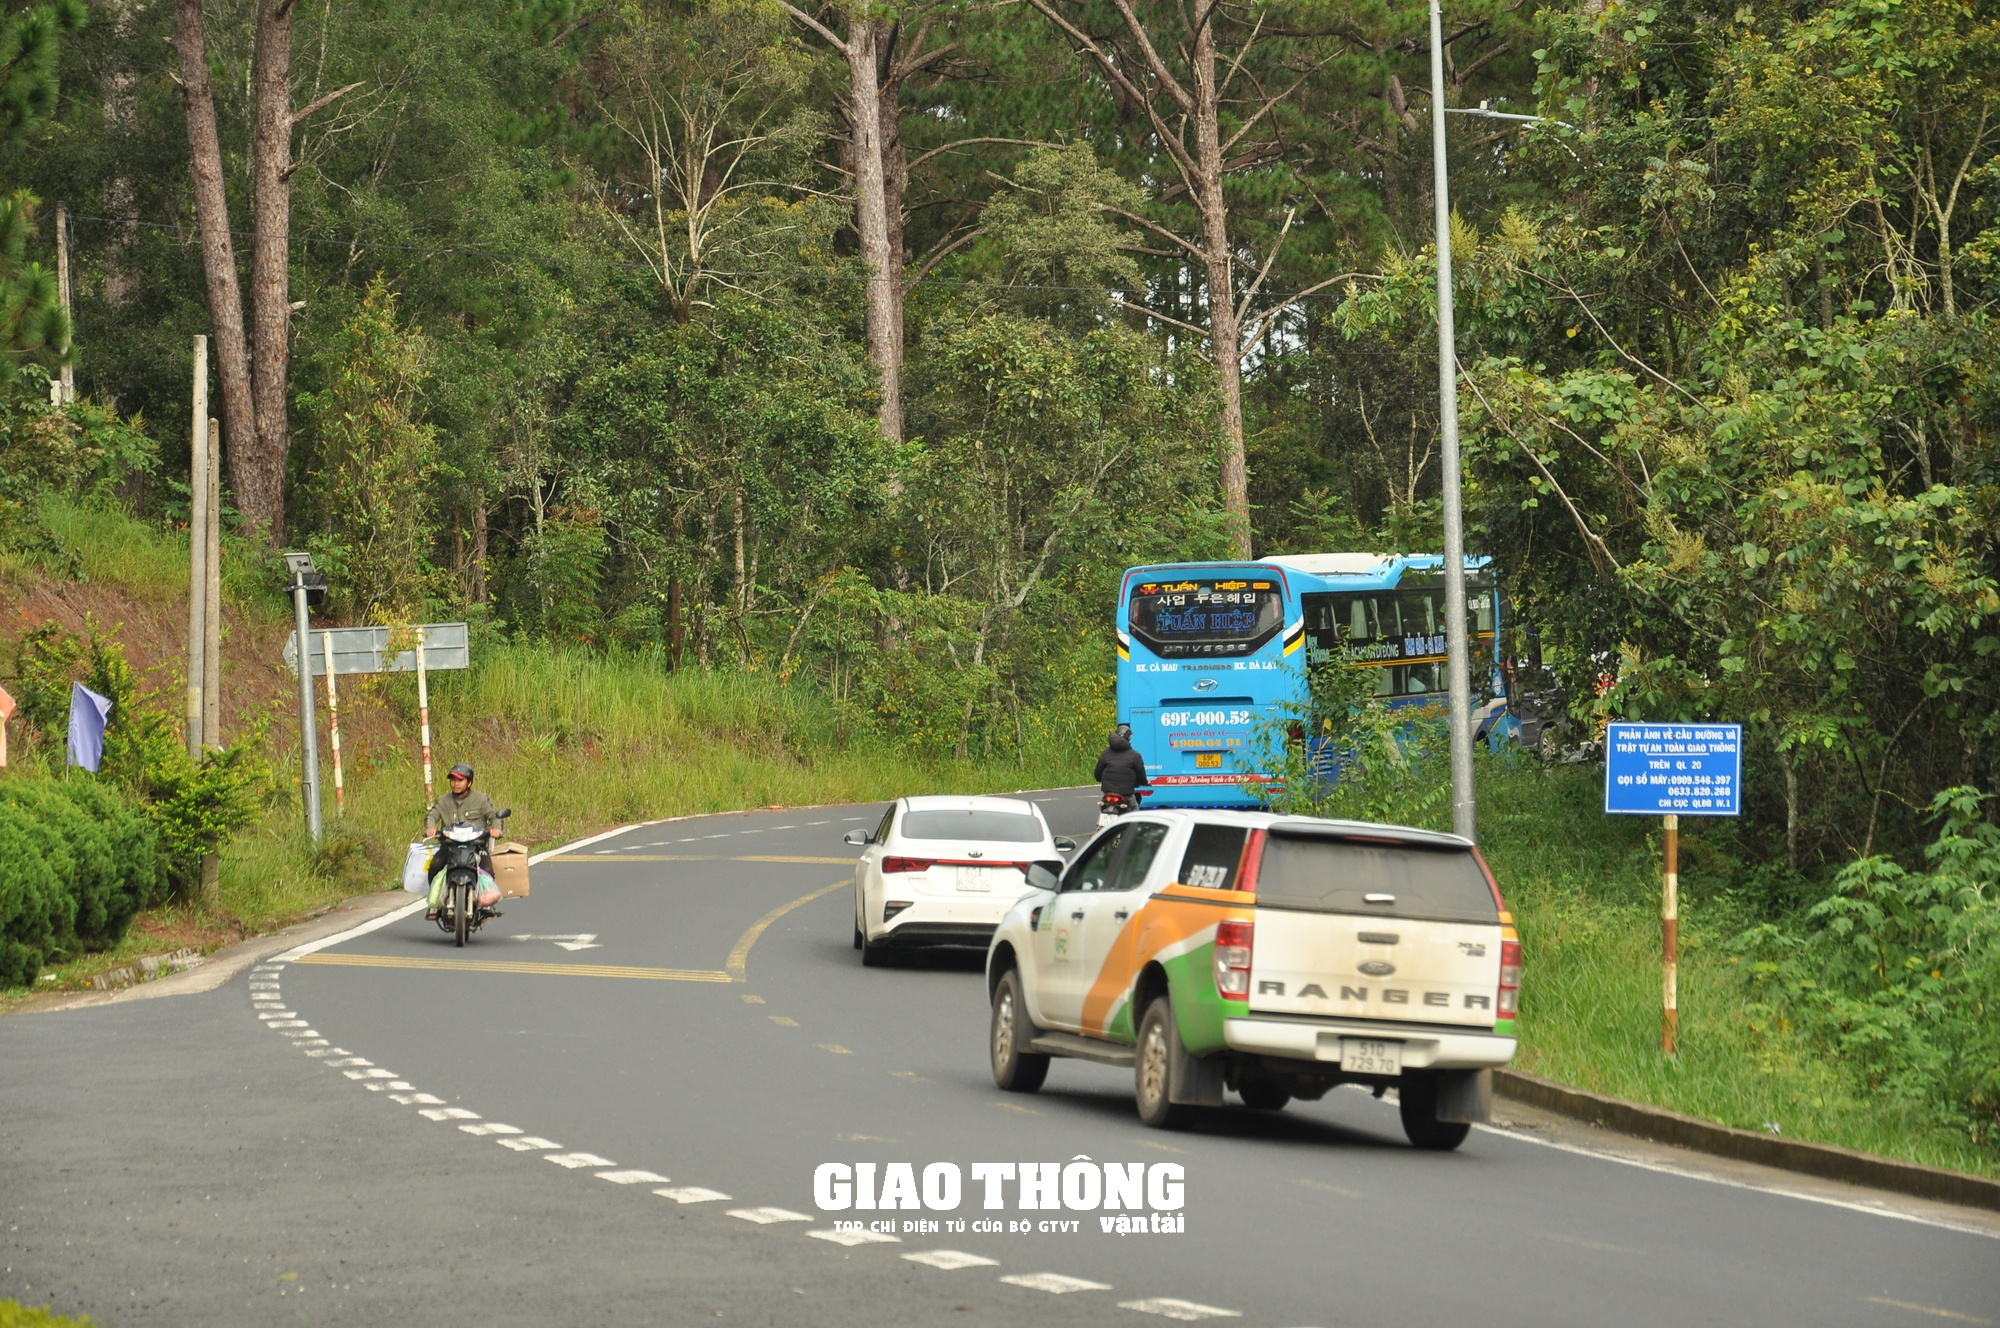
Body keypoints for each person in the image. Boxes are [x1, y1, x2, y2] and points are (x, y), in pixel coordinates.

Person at [425, 763, 503, 918]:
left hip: (476, 847)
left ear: (469, 782)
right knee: (435, 865)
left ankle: (486, 904)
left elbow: (494, 817)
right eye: (453, 780)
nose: (456, 783)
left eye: (460, 780)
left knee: (487, 869)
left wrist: (496, 829)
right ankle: (435, 902)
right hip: (450, 847)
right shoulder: (443, 801)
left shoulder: (481, 800)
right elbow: (432, 816)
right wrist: (430, 828)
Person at [1093, 724, 1148, 805]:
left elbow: (1097, 775)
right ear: (1128, 738)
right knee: (1134, 813)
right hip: (1126, 795)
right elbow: (1141, 778)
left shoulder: (1105, 754)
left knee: (1104, 807)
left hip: (1108, 794)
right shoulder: (1135, 755)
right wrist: (1144, 782)